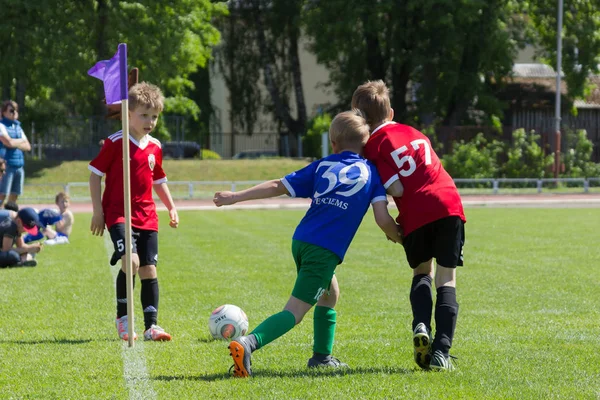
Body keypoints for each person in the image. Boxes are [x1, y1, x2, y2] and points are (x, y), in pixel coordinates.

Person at [213, 109, 402, 378]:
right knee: (295, 311)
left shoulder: (323, 165)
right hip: (323, 250)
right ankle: (248, 343)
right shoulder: (371, 173)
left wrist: (235, 197)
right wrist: (399, 236)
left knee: (330, 292)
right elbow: (383, 218)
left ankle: (321, 358)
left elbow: (279, 185)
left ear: (333, 143)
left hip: (301, 240)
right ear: (366, 144)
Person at [351, 80, 466, 371]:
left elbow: (399, 189)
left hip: (416, 214)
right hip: (449, 203)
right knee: (447, 279)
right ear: (390, 112)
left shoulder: (372, 148)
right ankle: (441, 353)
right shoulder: (413, 131)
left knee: (421, 273)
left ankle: (421, 325)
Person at [89, 82, 179, 342]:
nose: (150, 121)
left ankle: (152, 326)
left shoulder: (155, 146)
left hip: (147, 216)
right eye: (144, 115)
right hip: (119, 213)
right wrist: (98, 211)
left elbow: (159, 180)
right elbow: (94, 175)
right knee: (132, 262)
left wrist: (171, 206)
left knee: (149, 270)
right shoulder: (115, 142)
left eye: (154, 117)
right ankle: (124, 320)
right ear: (128, 114)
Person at [0, 100, 32, 207]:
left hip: (19, 165)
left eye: (16, 111)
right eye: (11, 110)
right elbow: (8, 142)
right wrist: (19, 141)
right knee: (2, 194)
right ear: (4, 112)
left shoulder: (18, 127)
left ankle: (9, 218)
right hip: (6, 165)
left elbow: (28, 146)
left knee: (15, 195)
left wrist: (14, 142)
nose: (14, 113)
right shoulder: (1, 126)